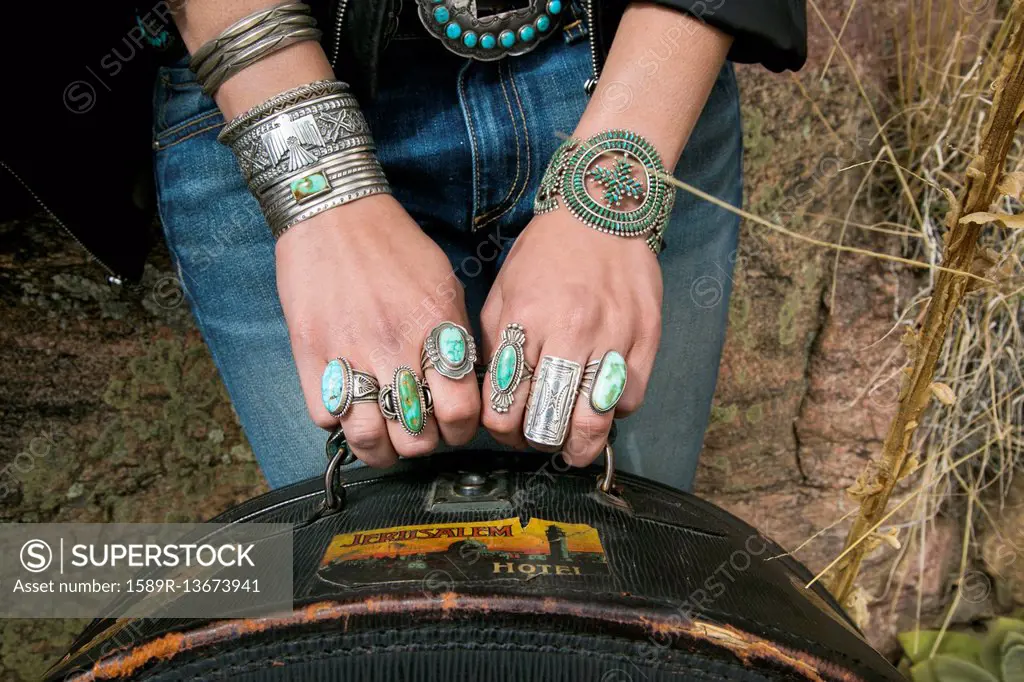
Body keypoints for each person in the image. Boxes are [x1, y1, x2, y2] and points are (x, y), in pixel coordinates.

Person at [156, 0, 806, 490]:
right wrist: (320, 193)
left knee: (622, 600)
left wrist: (615, 175)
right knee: (359, 619)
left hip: (640, 62)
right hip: (265, 83)